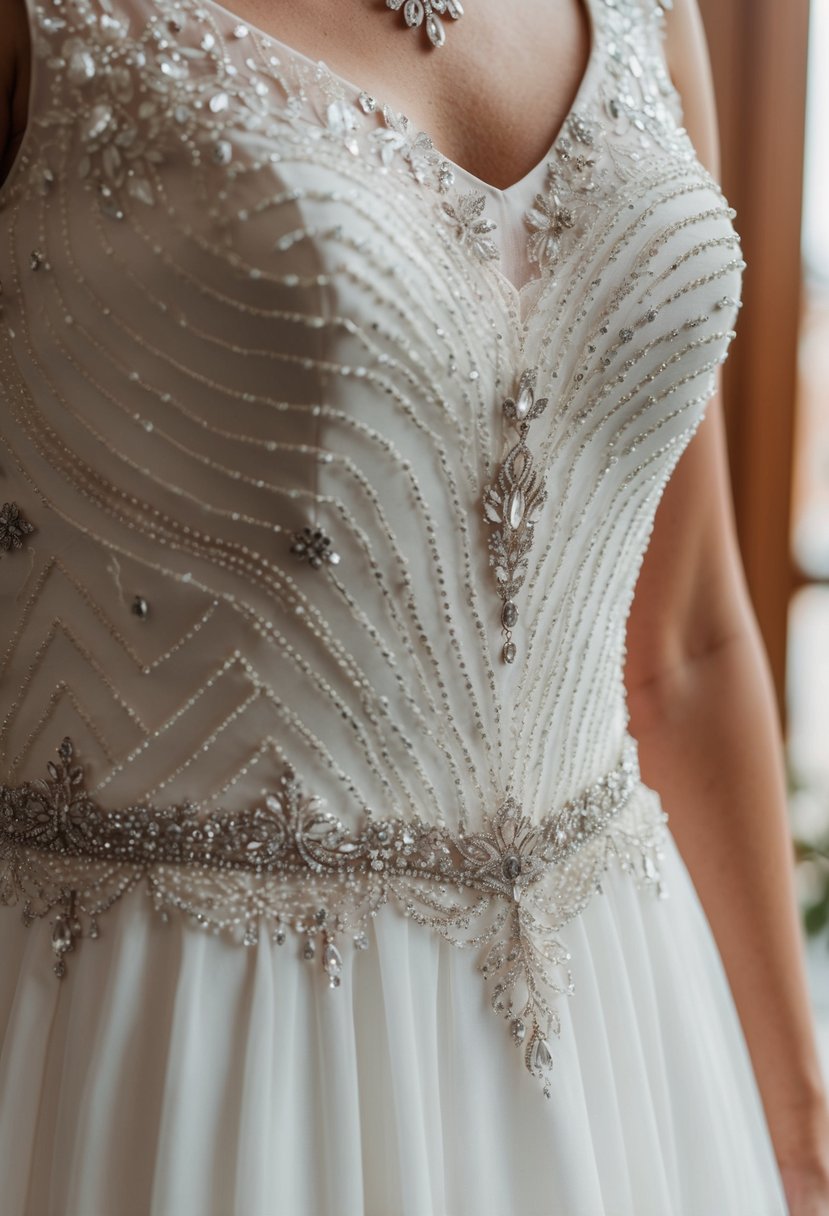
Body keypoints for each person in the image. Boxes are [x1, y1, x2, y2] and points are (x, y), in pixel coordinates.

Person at [0, 0, 826, 1211]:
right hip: (187, 1040)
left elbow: (685, 643)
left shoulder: (657, 13)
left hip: (621, 1032)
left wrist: (797, 1123)